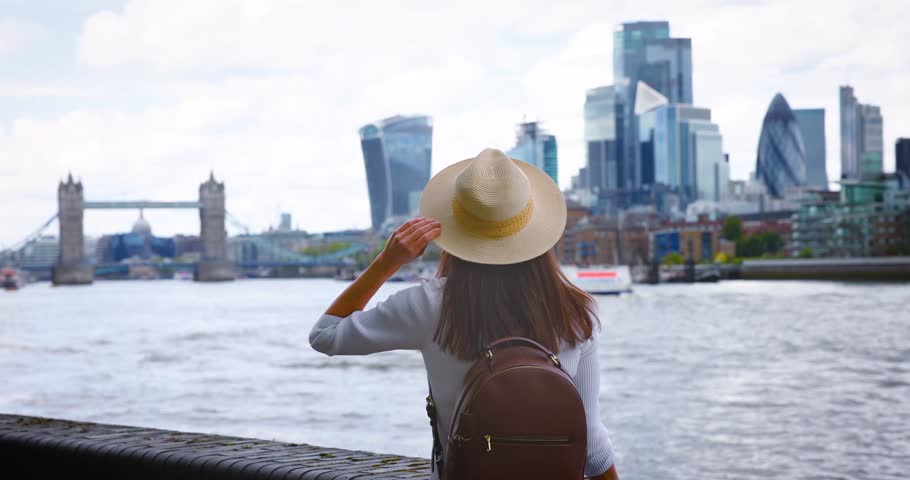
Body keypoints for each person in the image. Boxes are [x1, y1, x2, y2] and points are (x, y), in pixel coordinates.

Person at [310, 148, 618, 479]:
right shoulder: (576, 310)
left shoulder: (429, 305)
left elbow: (325, 335)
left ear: (453, 229)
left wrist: (387, 263)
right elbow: (591, 442)